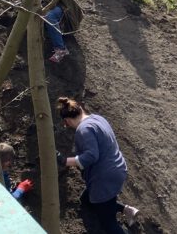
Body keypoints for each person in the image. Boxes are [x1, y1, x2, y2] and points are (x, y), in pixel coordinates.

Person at [56, 97, 139, 233]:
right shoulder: (97, 118)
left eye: (66, 124)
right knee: (87, 199)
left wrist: (65, 161)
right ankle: (127, 210)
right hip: (117, 168)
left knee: (108, 223)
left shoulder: (83, 130)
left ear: (67, 121)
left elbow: (91, 156)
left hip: (104, 178)